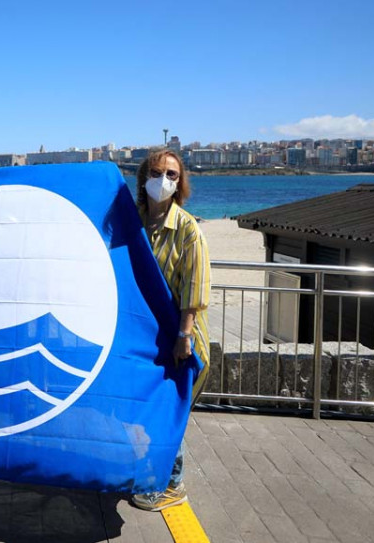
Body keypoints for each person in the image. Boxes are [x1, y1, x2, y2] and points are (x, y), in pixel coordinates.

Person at [131, 149, 210, 511]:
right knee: (147, 411)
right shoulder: (135, 222)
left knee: (169, 412)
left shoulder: (188, 229)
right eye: (157, 172)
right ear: (144, 176)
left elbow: (195, 288)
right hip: (147, 339)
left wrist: (184, 337)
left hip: (181, 337)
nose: (163, 180)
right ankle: (149, 473)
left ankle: (171, 483)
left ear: (181, 184)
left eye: (172, 175)